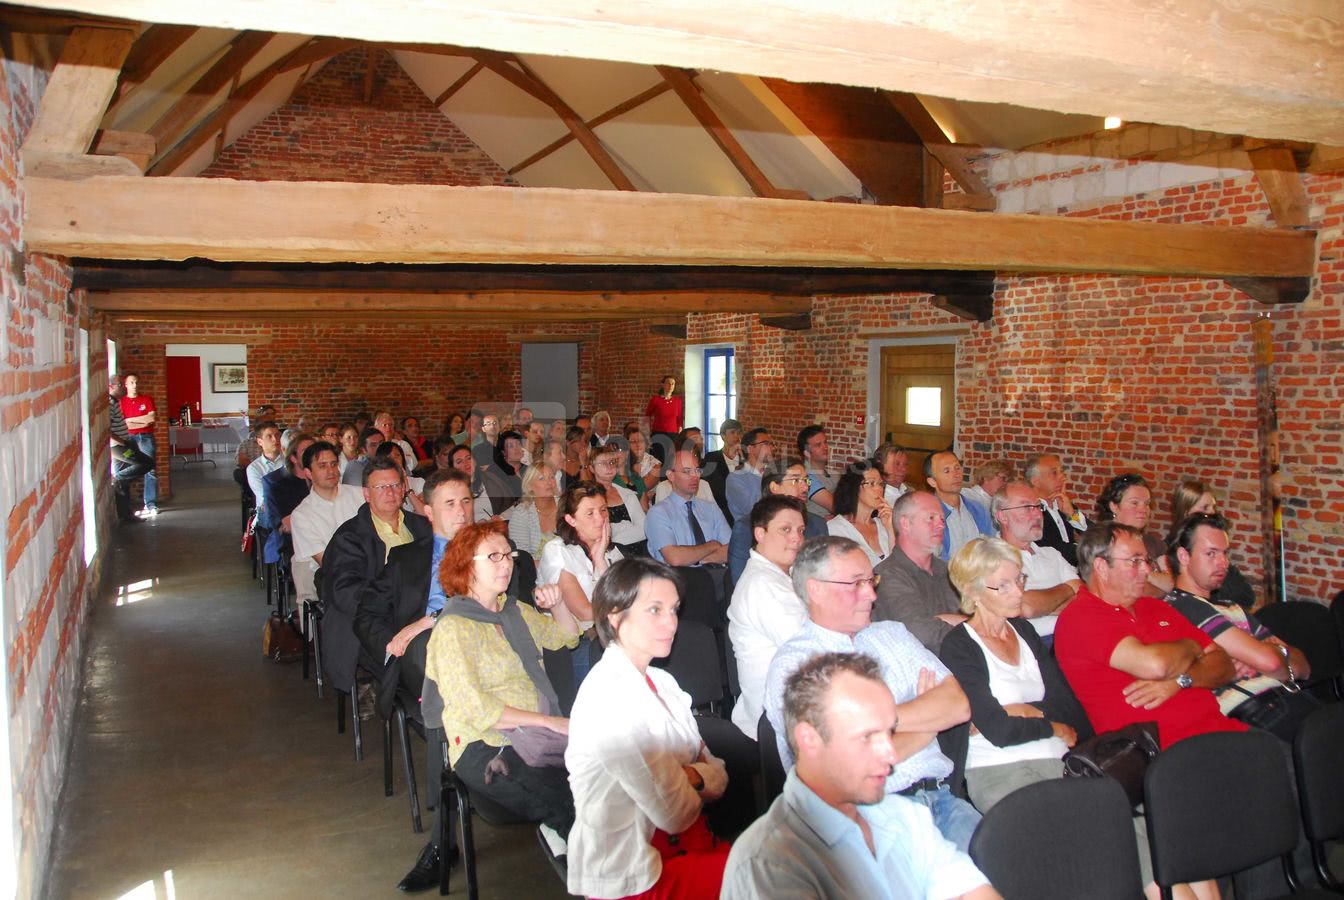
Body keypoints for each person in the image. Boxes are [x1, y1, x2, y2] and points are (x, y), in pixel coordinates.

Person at [764, 536, 978, 851]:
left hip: (942, 800)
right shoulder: (797, 664)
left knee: (1007, 872)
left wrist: (868, 727)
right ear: (815, 589)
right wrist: (927, 723)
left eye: (870, 580)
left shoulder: (892, 635)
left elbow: (958, 705)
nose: (871, 593)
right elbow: (844, 770)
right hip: (864, 817)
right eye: (856, 583)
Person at [726, 652, 997, 900]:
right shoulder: (769, 861)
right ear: (809, 740)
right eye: (867, 736)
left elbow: (974, 891)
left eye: (889, 732)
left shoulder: (906, 818)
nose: (891, 755)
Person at [413, 521, 579, 890]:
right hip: (483, 745)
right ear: (465, 566)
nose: (506, 564)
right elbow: (477, 709)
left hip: (535, 733)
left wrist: (558, 605)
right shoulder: (454, 629)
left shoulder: (512, 611)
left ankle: (582, 853)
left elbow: (565, 637)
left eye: (508, 555)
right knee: (568, 798)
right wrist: (551, 724)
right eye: (494, 556)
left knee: (603, 780)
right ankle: (596, 873)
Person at [566, 558, 731, 899]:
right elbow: (675, 813)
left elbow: (719, 774)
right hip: (638, 874)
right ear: (614, 615)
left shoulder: (663, 682)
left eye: (674, 610)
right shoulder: (609, 694)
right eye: (655, 610)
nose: (671, 622)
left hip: (687, 846)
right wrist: (695, 773)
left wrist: (689, 775)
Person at [1054, 521, 1243, 749]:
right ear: (1102, 567)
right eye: (1135, 561)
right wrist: (1193, 647)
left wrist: (1182, 681)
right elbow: (1155, 666)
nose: (1147, 570)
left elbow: (1225, 665)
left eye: (1146, 560)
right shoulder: (1081, 617)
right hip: (1165, 753)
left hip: (1220, 732)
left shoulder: (1155, 607)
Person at [938, 538, 1091, 811]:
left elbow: (1070, 708)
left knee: (1125, 828)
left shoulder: (1024, 631)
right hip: (999, 769)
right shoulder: (959, 646)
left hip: (1057, 761)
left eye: (1019, 579)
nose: (1019, 592)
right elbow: (1000, 731)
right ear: (972, 591)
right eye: (1003, 585)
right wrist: (1053, 726)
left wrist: (1022, 709)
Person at [1163, 514, 1315, 742]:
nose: (1223, 562)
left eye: (1225, 553)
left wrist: (1274, 654)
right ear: (1184, 556)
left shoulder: (1231, 607)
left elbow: (1303, 666)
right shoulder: (1182, 607)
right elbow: (1271, 663)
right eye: (1211, 554)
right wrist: (1269, 656)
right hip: (1254, 712)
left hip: (1287, 698)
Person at [320, 458, 433, 715]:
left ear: (405, 488)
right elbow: (345, 592)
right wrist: (393, 609)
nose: (390, 493)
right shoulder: (350, 536)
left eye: (395, 485)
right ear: (366, 494)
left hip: (423, 614)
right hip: (376, 619)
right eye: (381, 487)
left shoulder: (423, 528)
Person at [727, 495, 809, 738]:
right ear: (759, 534)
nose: (797, 537)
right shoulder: (762, 583)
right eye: (785, 529)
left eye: (801, 530)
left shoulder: (788, 574)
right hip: (777, 720)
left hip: (799, 701)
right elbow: (809, 647)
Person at [538, 481, 623, 682]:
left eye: (603, 510)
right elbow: (584, 612)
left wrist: (601, 561)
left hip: (609, 636)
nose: (600, 519)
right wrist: (622, 607)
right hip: (574, 644)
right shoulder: (557, 551)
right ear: (571, 519)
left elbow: (628, 599)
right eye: (590, 513)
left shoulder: (612, 553)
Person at [873, 491, 965, 654]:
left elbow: (981, 616)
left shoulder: (949, 570)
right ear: (906, 524)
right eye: (931, 518)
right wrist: (974, 630)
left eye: (942, 519)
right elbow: (922, 633)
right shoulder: (886, 575)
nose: (941, 525)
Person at [990, 481, 1080, 638]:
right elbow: (1026, 606)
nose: (1038, 515)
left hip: (1074, 633)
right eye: (1026, 507)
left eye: (1038, 506)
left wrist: (1043, 604)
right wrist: (1068, 588)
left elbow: (1083, 597)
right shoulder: (992, 557)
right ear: (1002, 516)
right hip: (1037, 643)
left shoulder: (1051, 554)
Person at [290, 440, 364, 613]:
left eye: (333, 464)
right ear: (308, 473)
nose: (331, 471)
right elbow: (327, 562)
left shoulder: (360, 495)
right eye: (322, 466)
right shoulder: (302, 514)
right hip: (332, 578)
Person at [727, 460, 827, 583]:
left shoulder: (817, 524)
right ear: (774, 487)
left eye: (806, 480)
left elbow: (823, 576)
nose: (805, 487)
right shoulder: (747, 526)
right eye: (796, 480)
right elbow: (740, 581)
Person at [1166, 480, 1256, 608]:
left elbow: (1246, 596)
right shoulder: (1170, 549)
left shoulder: (1218, 547)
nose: (1212, 513)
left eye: (1213, 507)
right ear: (1186, 511)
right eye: (1205, 508)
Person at [645, 449, 730, 566]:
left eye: (697, 470)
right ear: (671, 475)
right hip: (678, 580)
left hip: (715, 576)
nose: (695, 476)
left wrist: (696, 560)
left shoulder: (711, 509)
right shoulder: (658, 513)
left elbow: (731, 550)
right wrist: (711, 545)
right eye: (687, 471)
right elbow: (675, 558)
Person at [1095, 473, 1172, 594]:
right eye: (1134, 503)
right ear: (1114, 506)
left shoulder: (1155, 544)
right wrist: (1155, 581)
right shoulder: (1101, 542)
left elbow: (1171, 583)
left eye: (1147, 504)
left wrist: (1143, 575)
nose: (1143, 509)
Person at [925, 451, 994, 561]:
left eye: (957, 468)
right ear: (932, 482)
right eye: (947, 471)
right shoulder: (927, 516)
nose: (956, 475)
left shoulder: (978, 510)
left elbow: (992, 548)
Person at [827, 461, 896, 567]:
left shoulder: (884, 524)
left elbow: (899, 567)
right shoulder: (836, 528)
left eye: (881, 484)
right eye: (871, 483)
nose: (879, 489)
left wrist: (890, 529)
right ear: (854, 488)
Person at [1025, 452, 1088, 566]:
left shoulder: (1063, 503)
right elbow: (1050, 548)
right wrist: (1090, 551)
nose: (1063, 478)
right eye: (1054, 473)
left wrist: (1072, 514)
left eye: (1062, 472)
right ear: (1036, 481)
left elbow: (1095, 535)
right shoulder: (1030, 510)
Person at [108, 375, 153, 524]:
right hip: (119, 447)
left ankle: (125, 515)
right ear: (111, 387)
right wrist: (122, 442)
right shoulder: (109, 402)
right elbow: (107, 429)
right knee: (146, 463)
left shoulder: (115, 402)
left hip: (123, 443)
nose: (122, 387)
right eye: (120, 385)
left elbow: (150, 419)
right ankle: (118, 479)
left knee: (125, 483)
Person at [590, 444, 647, 556]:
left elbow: (644, 530)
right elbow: (595, 535)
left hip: (636, 555)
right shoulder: (588, 497)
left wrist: (613, 531)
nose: (609, 467)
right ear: (592, 468)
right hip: (604, 555)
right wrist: (626, 525)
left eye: (612, 462)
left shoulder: (628, 494)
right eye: (603, 463)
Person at [119, 373, 159, 516]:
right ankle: (126, 505)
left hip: (145, 437)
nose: (134, 385)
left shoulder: (146, 399)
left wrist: (132, 420)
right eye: (131, 383)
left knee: (150, 469)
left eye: (136, 382)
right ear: (126, 385)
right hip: (129, 439)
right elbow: (124, 422)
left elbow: (151, 419)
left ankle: (150, 503)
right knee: (129, 468)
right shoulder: (121, 402)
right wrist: (141, 420)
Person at [509, 463, 560, 559]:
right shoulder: (522, 513)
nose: (549, 482)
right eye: (542, 479)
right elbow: (522, 558)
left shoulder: (565, 506)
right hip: (534, 570)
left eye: (552, 477)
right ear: (529, 486)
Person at [723, 427, 774, 524]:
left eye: (772, 444)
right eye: (766, 444)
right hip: (749, 533)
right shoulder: (735, 478)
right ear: (750, 449)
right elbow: (754, 510)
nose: (772, 448)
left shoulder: (775, 474)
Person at [702, 418, 745, 522]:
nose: (736, 436)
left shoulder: (746, 458)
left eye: (739, 433)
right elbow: (706, 484)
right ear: (723, 436)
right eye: (732, 432)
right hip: (720, 509)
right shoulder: (712, 458)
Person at [245, 421, 285, 517]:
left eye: (277, 435)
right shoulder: (254, 468)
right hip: (268, 514)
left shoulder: (290, 460)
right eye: (269, 436)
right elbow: (266, 497)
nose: (275, 439)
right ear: (260, 442)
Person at [448, 442, 494, 522]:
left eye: (469, 458)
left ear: (475, 461)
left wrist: (499, 518)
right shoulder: (451, 491)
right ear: (453, 469)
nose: (466, 463)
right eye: (459, 461)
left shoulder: (491, 480)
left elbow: (509, 508)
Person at [796, 425, 836, 516]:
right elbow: (835, 507)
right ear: (807, 453)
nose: (825, 447)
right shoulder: (806, 477)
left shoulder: (831, 472)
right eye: (818, 445)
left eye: (825, 442)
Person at [645, 375, 683, 465]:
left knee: (670, 461)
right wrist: (646, 434)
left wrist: (679, 434)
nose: (670, 386)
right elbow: (646, 417)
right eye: (668, 383)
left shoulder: (677, 401)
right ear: (663, 385)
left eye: (673, 384)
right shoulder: (655, 400)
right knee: (658, 461)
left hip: (673, 436)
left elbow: (680, 418)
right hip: (658, 434)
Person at [616, 425, 660, 498]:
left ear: (646, 444)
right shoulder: (622, 460)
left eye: (641, 441)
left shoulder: (655, 465)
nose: (637, 444)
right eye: (633, 442)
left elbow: (641, 489)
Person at [874, 443, 910, 507]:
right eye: (897, 464)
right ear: (880, 466)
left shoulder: (911, 492)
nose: (903, 469)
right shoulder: (875, 498)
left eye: (905, 464)